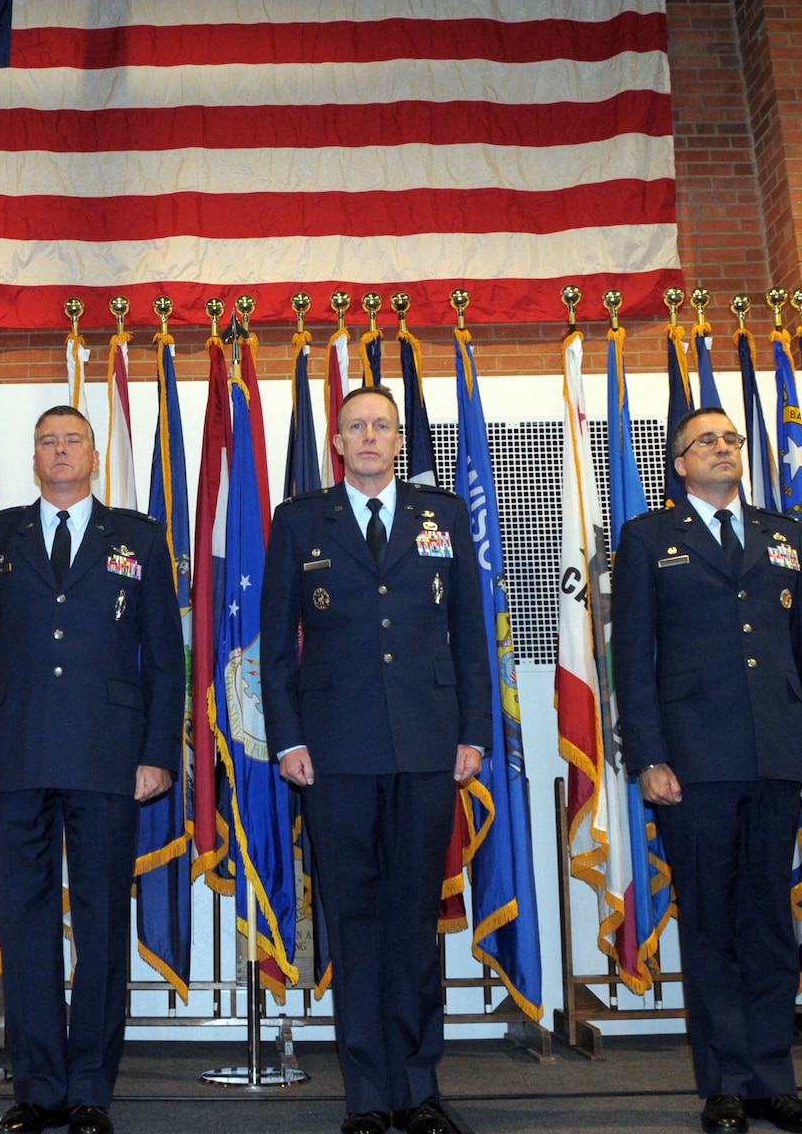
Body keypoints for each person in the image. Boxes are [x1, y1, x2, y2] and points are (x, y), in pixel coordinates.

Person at [259, 386, 491, 1134]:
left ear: (399, 441)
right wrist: (289, 738)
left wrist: (474, 732)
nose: (368, 436)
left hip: (427, 745)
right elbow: (275, 647)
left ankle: (418, 1089)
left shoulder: (444, 516)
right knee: (354, 923)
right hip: (335, 752)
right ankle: (367, 1094)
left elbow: (470, 634)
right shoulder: (299, 521)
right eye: (355, 426)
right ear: (336, 442)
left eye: (381, 426)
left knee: (415, 922)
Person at [0, 406, 185, 1134]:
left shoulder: (139, 538)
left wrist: (157, 752)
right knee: (25, 925)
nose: (60, 451)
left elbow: (164, 657)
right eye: (48, 441)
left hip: (107, 755)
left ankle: (89, 1089)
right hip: (15, 752)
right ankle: (37, 1087)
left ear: (93, 454)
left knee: (101, 924)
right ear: (35, 456)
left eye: (72, 440)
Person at [612, 405, 802, 1134]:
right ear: (679, 464)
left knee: (770, 922)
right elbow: (633, 661)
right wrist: (648, 755)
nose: (721, 448)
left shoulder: (785, 535)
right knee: (710, 927)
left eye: (730, 439)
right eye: (704, 441)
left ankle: (775, 1078)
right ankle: (725, 1085)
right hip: (693, 762)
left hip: (776, 755)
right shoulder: (649, 538)